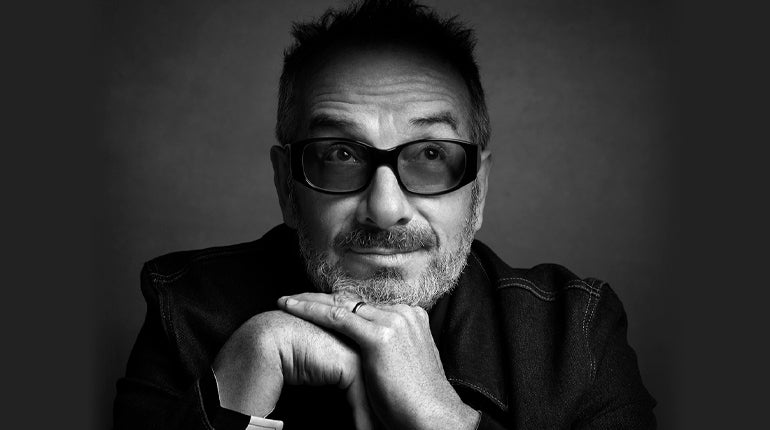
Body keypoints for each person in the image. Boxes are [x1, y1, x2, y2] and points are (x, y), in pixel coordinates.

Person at [113, 0, 656, 428]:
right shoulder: (187, 312)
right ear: (286, 186)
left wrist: (445, 420)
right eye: (340, 155)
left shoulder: (576, 336)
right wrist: (236, 387)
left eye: (431, 155)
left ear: (480, 189)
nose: (385, 209)